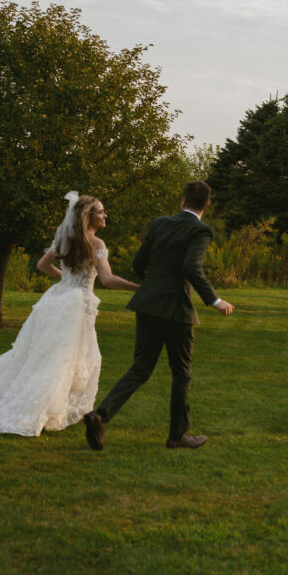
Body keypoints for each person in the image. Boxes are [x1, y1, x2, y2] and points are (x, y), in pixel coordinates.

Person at [0, 191, 138, 436]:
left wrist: (67, 281)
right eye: (101, 212)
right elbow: (107, 279)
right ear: (89, 216)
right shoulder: (97, 244)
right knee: (65, 359)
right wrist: (139, 287)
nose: (105, 215)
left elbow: (42, 265)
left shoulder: (65, 238)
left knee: (46, 356)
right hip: (76, 305)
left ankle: (46, 407)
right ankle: (42, 410)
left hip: (58, 300)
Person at [83, 180, 234, 451]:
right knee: (182, 373)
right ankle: (178, 435)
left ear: (183, 201)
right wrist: (215, 300)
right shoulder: (201, 230)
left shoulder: (159, 223)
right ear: (207, 206)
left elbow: (138, 264)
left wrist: (153, 284)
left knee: (140, 368)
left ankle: (101, 415)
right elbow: (191, 266)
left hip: (148, 304)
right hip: (177, 310)